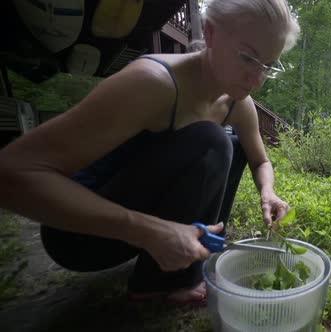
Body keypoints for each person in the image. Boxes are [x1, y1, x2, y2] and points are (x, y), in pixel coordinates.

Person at [0, 0, 300, 305]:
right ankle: (158, 283)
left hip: (130, 225)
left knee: (233, 147)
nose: (256, 79)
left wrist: (268, 191)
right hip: (78, 235)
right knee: (213, 140)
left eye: (268, 66)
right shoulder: (153, 82)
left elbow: (260, 159)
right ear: (210, 33)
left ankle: (183, 263)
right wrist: (150, 232)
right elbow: (11, 173)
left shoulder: (238, 103)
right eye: (248, 57)